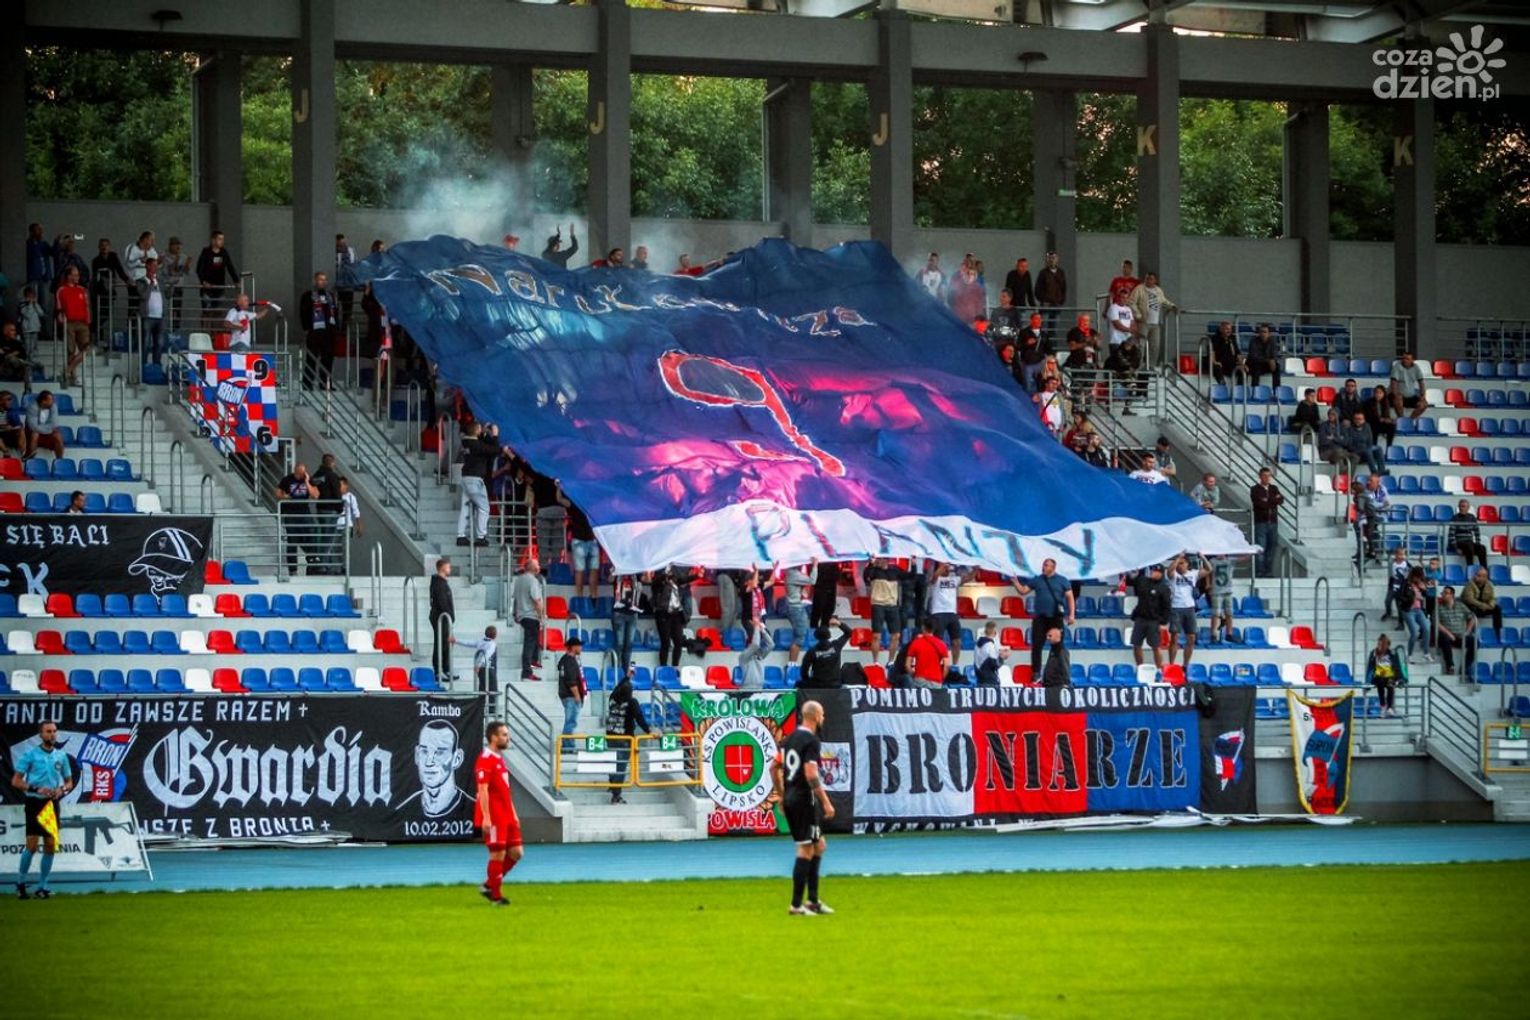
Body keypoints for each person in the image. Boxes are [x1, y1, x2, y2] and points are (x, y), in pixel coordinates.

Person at [768, 700, 836, 916]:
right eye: (822, 714)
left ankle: (813, 900)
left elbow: (774, 766)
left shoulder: (789, 739)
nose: (823, 718)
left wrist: (781, 794)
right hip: (804, 800)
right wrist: (826, 801)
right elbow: (811, 774)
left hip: (792, 797)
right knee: (806, 848)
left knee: (819, 845)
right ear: (815, 716)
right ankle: (796, 905)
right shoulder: (811, 741)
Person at [12, 720, 75, 899]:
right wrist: (36, 789)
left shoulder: (61, 756)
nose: (52, 734)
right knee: (32, 846)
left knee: (50, 845)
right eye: (48, 731)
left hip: (51, 804)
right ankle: (20, 883)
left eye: (54, 731)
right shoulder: (30, 755)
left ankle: (42, 886)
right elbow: (16, 781)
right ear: (40, 735)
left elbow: (69, 782)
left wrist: (62, 790)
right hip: (34, 803)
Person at [475, 721, 523, 907]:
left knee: (516, 853)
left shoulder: (499, 759)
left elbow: (505, 790)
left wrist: (514, 813)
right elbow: (483, 790)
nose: (507, 738)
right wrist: (486, 817)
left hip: (506, 814)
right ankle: (496, 897)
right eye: (504, 735)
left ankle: (489, 884)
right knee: (498, 853)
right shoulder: (485, 759)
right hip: (495, 815)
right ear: (493, 737)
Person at [1013, 559, 1075, 679]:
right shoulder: (1037, 579)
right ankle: (1036, 672)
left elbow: (1070, 597)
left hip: (1056, 617)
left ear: (1053, 567)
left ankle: (1058, 672)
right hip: (1040, 618)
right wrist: (1016, 582)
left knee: (1058, 646)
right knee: (1036, 645)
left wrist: (1072, 615)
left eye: (1047, 565)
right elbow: (1023, 591)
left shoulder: (1062, 580)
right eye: (1044, 565)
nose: (1044, 567)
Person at [604, 671, 652, 803]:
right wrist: (649, 731)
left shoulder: (612, 699)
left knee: (613, 762)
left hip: (611, 737)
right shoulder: (632, 702)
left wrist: (626, 677)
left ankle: (612, 784)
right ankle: (616, 795)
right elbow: (640, 718)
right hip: (625, 739)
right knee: (620, 767)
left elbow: (617, 687)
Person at [456, 421, 498, 546]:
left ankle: (460, 535)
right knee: (484, 507)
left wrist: (484, 434)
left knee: (465, 507)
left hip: (465, 478)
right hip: (475, 479)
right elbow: (494, 450)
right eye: (479, 429)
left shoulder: (466, 442)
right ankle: (481, 536)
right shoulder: (476, 445)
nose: (481, 430)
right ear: (476, 431)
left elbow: (482, 444)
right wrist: (495, 435)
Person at [863, 556, 908, 665]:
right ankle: (875, 662)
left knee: (896, 635)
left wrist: (914, 564)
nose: (879, 560)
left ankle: (891, 661)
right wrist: (871, 564)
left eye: (881, 558)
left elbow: (910, 576)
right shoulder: (873, 570)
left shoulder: (895, 570)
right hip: (878, 605)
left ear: (886, 560)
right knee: (876, 635)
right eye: (878, 558)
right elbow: (866, 577)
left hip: (892, 605)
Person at [275, 462, 316, 576]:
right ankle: (293, 569)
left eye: (303, 472)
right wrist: (284, 497)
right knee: (292, 541)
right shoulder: (287, 480)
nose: (301, 475)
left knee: (311, 537)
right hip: (291, 514)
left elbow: (315, 495)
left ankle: (312, 563)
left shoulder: (308, 479)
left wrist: (307, 482)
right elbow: (277, 493)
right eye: (299, 472)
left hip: (304, 513)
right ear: (295, 471)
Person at [299, 270, 341, 383]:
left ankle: (326, 384)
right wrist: (306, 328)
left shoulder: (330, 296)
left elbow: (335, 313)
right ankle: (308, 384)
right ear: (315, 281)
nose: (323, 282)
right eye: (320, 279)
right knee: (311, 359)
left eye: (325, 280)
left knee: (328, 359)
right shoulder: (308, 295)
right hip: (314, 332)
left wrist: (336, 329)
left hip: (329, 332)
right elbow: (303, 313)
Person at [1127, 271, 1174, 366]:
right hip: (1143, 322)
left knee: (1155, 346)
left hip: (1155, 323)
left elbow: (1163, 301)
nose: (1148, 281)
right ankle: (1138, 365)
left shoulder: (1158, 290)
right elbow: (1131, 302)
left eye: (1151, 279)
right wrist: (1138, 314)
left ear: (1155, 280)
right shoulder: (1139, 289)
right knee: (1141, 345)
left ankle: (1151, 366)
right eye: (1147, 278)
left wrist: (1172, 306)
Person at [1129, 564, 1171, 670]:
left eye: (1156, 571)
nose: (1154, 573)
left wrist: (1163, 623)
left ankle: (1159, 668)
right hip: (1140, 618)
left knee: (1156, 646)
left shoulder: (1164, 588)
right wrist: (1134, 574)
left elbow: (1167, 607)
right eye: (1153, 571)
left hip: (1154, 620)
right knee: (1136, 644)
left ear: (1161, 574)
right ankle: (1139, 667)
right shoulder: (1143, 581)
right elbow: (1132, 581)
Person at [89, 237, 130, 344]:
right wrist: (104, 281)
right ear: (99, 247)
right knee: (98, 313)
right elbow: (95, 276)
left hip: (110, 290)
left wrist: (127, 280)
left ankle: (92, 329)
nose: (104, 247)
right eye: (102, 245)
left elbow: (120, 270)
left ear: (109, 246)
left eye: (106, 245)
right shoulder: (96, 261)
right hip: (99, 291)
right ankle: (98, 336)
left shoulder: (113, 257)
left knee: (106, 313)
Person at [513, 555, 547, 681]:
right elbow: (537, 600)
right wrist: (541, 616)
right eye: (537, 564)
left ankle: (534, 660)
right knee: (530, 642)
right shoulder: (533, 581)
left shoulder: (519, 580)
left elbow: (516, 599)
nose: (539, 567)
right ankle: (527, 672)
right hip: (531, 615)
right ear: (533, 568)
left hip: (522, 615)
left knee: (533, 638)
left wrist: (515, 613)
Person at [925, 562, 967, 665]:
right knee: (937, 642)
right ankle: (936, 664)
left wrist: (976, 569)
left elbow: (967, 578)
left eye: (948, 568)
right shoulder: (936, 579)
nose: (947, 570)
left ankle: (955, 665)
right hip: (938, 613)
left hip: (952, 613)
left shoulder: (954, 579)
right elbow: (934, 577)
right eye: (945, 568)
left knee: (957, 642)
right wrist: (943, 565)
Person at [56, 263, 90, 388]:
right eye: (74, 275)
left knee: (87, 349)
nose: (77, 277)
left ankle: (68, 370)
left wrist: (88, 321)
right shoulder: (61, 290)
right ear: (68, 276)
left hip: (82, 323)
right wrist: (61, 320)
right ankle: (73, 377)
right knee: (70, 350)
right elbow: (58, 307)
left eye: (78, 275)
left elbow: (87, 306)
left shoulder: (82, 290)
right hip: (69, 322)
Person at [648, 565, 687, 668]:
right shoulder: (658, 581)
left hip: (676, 613)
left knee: (679, 641)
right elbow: (655, 583)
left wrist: (697, 576)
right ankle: (664, 667)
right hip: (663, 613)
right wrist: (664, 576)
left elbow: (684, 580)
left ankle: (675, 667)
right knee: (665, 642)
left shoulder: (675, 580)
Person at [196, 230, 239, 324]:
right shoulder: (206, 252)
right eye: (219, 239)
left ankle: (215, 331)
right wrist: (203, 282)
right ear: (213, 240)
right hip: (207, 289)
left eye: (222, 239)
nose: (222, 241)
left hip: (219, 288)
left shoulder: (224, 252)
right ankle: (205, 330)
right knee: (206, 312)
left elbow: (230, 267)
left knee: (218, 313)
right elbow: (199, 269)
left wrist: (236, 281)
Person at [1166, 555, 1200, 669]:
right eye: (1179, 563)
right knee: (1174, 637)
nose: (1180, 565)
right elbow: (1169, 570)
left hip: (1190, 608)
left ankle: (1185, 665)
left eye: (1183, 563)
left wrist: (1202, 556)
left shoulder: (1193, 574)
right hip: (1176, 607)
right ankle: (1171, 664)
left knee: (1191, 638)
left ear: (1187, 564)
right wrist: (1178, 559)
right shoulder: (1174, 575)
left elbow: (1209, 569)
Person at [1434, 586, 1477, 677]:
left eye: (1446, 593)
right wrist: (1449, 633)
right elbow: (1436, 623)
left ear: (1452, 595)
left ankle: (1465, 667)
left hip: (1461, 636)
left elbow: (1472, 618)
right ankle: (1450, 666)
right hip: (1448, 636)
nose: (1443, 595)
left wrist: (1467, 632)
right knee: (1444, 638)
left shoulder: (1461, 606)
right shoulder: (1439, 608)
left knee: (1474, 641)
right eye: (1442, 593)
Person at [799, 619, 851, 689]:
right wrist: (838, 623)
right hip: (835, 684)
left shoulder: (812, 651)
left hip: (818, 685)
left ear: (816, 636)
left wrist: (807, 681)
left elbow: (804, 670)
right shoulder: (836, 645)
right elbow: (849, 632)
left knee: (799, 684)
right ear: (829, 635)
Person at [1250, 467, 1283, 577]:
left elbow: (1281, 500)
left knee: (1271, 547)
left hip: (1273, 522)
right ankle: (1260, 571)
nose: (1267, 478)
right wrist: (1273, 500)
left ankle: (1268, 571)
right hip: (1261, 522)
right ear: (1260, 476)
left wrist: (1267, 500)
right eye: (1265, 476)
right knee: (1261, 547)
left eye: (1269, 476)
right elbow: (1260, 504)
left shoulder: (1274, 488)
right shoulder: (1255, 489)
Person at [1365, 634, 1407, 719]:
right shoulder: (1374, 653)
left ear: (1386, 645)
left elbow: (1397, 666)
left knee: (1390, 685)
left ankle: (1389, 708)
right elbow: (1370, 667)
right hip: (1378, 676)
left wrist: (1400, 678)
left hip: (1390, 676)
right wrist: (1368, 680)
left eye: (1381, 644)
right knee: (1380, 684)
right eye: (1378, 644)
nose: (1379, 646)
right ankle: (1383, 707)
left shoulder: (1392, 653)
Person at [136, 257, 167, 365]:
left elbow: (167, 295)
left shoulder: (160, 281)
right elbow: (143, 296)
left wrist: (172, 285)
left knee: (159, 343)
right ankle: (144, 365)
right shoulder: (140, 281)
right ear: (147, 266)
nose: (155, 268)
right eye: (153, 265)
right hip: (147, 317)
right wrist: (151, 284)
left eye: (156, 266)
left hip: (160, 317)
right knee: (145, 343)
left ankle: (156, 365)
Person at [1200, 554, 1238, 645]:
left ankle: (1229, 634)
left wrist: (1251, 551)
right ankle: (1213, 635)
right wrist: (1208, 583)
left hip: (1228, 591)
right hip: (1216, 590)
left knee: (1229, 613)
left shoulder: (1230, 560)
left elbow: (1243, 558)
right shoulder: (1212, 561)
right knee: (1215, 614)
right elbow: (1207, 572)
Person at [557, 634, 585, 753]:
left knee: (570, 721)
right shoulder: (571, 661)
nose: (581, 648)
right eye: (579, 646)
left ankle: (568, 745)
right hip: (571, 695)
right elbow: (571, 681)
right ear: (573, 647)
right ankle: (567, 746)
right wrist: (577, 695)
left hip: (565, 694)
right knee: (571, 722)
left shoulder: (564, 659)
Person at [904, 619, 951, 691]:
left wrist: (915, 675)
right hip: (936, 682)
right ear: (934, 629)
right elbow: (947, 666)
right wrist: (941, 678)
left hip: (919, 680)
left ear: (923, 627)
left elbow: (907, 665)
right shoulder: (942, 644)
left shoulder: (916, 643)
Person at [567, 503, 600, 601]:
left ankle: (582, 596)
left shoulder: (576, 503)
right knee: (591, 569)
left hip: (583, 539)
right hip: (589, 539)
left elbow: (560, 500)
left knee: (581, 570)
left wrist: (559, 492)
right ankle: (592, 596)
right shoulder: (592, 504)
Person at [783, 561, 814, 664]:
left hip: (795, 607)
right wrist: (815, 566)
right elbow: (812, 580)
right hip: (796, 608)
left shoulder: (791, 573)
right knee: (799, 638)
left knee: (799, 637)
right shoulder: (794, 574)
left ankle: (792, 665)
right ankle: (792, 666)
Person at [429, 557, 455, 682]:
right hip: (440, 617)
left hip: (444, 618)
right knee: (440, 644)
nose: (450, 569)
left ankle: (445, 669)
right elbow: (442, 602)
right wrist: (448, 615)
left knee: (446, 644)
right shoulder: (439, 584)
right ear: (443, 568)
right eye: (448, 567)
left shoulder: (442, 583)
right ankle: (439, 670)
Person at [329, 476, 361, 575]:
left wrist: (359, 526)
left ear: (346, 485)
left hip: (347, 526)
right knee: (335, 548)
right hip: (336, 526)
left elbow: (356, 512)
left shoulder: (351, 497)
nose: (339, 488)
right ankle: (337, 568)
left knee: (345, 548)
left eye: (340, 485)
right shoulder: (335, 496)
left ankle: (345, 568)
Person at [611, 573, 642, 673]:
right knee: (619, 643)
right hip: (619, 612)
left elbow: (647, 580)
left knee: (629, 644)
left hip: (633, 613)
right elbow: (610, 579)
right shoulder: (618, 570)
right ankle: (616, 669)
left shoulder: (637, 571)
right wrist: (614, 571)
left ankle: (625, 671)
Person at [23, 389, 65, 461]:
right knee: (35, 434)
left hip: (46, 434)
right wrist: (49, 429)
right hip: (31, 434)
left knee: (58, 436)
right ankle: (30, 459)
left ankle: (60, 460)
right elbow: (33, 427)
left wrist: (47, 429)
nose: (53, 402)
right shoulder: (32, 407)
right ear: (43, 401)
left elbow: (54, 424)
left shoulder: (54, 406)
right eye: (50, 400)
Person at [1401, 567, 1431, 664]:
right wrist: (1414, 597)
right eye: (1417, 577)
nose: (1418, 579)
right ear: (1413, 576)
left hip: (1419, 609)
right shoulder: (1406, 584)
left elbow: (1426, 596)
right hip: (1408, 610)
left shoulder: (1420, 584)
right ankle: (1409, 655)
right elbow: (1401, 597)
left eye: (1420, 578)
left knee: (1426, 628)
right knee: (1414, 632)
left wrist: (1424, 590)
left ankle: (1426, 653)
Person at [1340, 411, 1384, 477]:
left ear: (1364, 420)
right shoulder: (1349, 429)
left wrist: (1366, 448)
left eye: (1360, 419)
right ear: (1353, 420)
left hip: (1367, 451)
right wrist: (1363, 448)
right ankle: (1374, 472)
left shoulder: (1367, 427)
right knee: (1367, 451)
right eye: (1356, 419)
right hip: (1355, 452)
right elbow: (1349, 445)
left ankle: (1381, 471)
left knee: (1378, 449)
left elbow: (1370, 441)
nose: (1358, 421)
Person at [1461, 567, 1502, 636]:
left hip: (1483, 607)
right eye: (1477, 575)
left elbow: (1492, 598)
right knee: (1472, 609)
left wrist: (1491, 605)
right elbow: (1469, 599)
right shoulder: (1469, 584)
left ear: (1485, 577)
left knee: (1497, 609)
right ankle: (1470, 633)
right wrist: (1482, 605)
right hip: (1472, 606)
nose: (1477, 577)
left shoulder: (1489, 585)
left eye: (1480, 576)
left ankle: (1498, 632)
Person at [460, 625, 499, 697]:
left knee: (482, 687)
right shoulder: (492, 644)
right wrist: (478, 665)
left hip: (481, 669)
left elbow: (468, 643)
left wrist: (456, 641)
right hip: (489, 668)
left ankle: (481, 702)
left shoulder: (481, 641)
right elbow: (487, 655)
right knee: (492, 690)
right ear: (494, 635)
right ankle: (490, 704)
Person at [1389, 350, 1429, 420]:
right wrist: (1396, 394)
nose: (1405, 360)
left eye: (1407, 359)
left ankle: (1410, 420)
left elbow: (1421, 383)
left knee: (1424, 404)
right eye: (1403, 358)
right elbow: (1393, 383)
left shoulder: (1416, 367)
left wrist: (1422, 396)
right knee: (1397, 399)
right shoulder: (1397, 366)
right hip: (1399, 396)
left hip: (1411, 397)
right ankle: (1401, 420)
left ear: (1412, 360)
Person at [1448, 500, 1489, 569]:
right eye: (1461, 506)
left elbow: (1477, 532)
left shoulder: (1472, 517)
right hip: (1460, 543)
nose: (1462, 508)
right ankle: (1470, 568)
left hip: (1469, 542)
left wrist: (1478, 543)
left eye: (1464, 506)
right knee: (1469, 546)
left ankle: (1484, 569)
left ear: (1468, 508)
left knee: (1482, 548)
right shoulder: (1455, 518)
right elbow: (1451, 535)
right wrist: (1456, 548)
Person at [161, 236, 190, 331]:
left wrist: (187, 265)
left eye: (179, 245)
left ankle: (175, 330)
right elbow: (168, 271)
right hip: (167, 285)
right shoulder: (164, 256)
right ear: (170, 246)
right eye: (176, 245)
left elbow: (186, 272)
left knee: (177, 309)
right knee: (166, 308)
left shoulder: (184, 257)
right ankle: (164, 328)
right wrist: (176, 260)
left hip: (178, 286)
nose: (178, 247)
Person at [1035, 251, 1066, 334]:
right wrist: (1043, 301)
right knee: (1044, 329)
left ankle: (1051, 342)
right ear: (1047, 260)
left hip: (1056, 305)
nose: (1052, 260)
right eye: (1049, 258)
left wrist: (1061, 301)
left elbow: (1064, 288)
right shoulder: (1042, 273)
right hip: (1046, 306)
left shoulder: (1061, 273)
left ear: (1057, 259)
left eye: (1053, 258)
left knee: (1053, 329)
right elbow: (1037, 290)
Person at [1244, 323, 1281, 388]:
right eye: (1261, 332)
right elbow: (1254, 357)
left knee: (1277, 367)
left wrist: (1273, 360)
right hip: (1254, 364)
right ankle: (1255, 389)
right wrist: (1269, 360)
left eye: (1265, 332)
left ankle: (1276, 389)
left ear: (1269, 334)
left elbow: (1275, 354)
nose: (1263, 334)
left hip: (1266, 364)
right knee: (1256, 367)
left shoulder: (1272, 341)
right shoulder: (1253, 341)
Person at [1208, 321, 1243, 385]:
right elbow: (1212, 352)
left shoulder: (1232, 338)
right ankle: (1222, 386)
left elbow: (1238, 353)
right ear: (1221, 329)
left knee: (1243, 370)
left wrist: (1241, 363)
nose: (1229, 331)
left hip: (1231, 364)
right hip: (1220, 364)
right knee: (1216, 367)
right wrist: (1214, 361)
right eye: (1226, 329)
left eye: (1230, 329)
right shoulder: (1214, 339)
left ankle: (1239, 388)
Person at [972, 622, 1007, 686]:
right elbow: (995, 664)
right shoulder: (990, 645)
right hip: (990, 680)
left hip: (980, 678)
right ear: (994, 632)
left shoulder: (977, 645)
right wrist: (1002, 657)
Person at [1363, 384, 1397, 449]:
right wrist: (1381, 419)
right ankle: (1374, 447)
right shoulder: (1368, 402)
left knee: (1392, 426)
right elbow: (1369, 417)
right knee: (1374, 428)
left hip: (1381, 424)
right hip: (1371, 423)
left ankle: (1389, 447)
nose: (1378, 394)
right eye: (1376, 392)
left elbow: (1386, 416)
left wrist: (1390, 420)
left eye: (1380, 393)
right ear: (1374, 393)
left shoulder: (1386, 402)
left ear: (1383, 394)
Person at [810, 561, 841, 631]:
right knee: (818, 615)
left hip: (827, 591)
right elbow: (838, 577)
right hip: (823, 591)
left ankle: (819, 632)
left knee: (822, 615)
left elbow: (837, 577)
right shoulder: (830, 563)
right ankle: (817, 632)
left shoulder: (832, 564)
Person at [0, 391, 24, 455]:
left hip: (9, 433)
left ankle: (21, 453)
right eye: (8, 399)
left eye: (11, 399)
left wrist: (14, 427)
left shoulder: (12, 411)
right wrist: (3, 427)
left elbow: (19, 424)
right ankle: (6, 452)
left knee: (21, 431)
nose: (11, 402)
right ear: (1, 401)